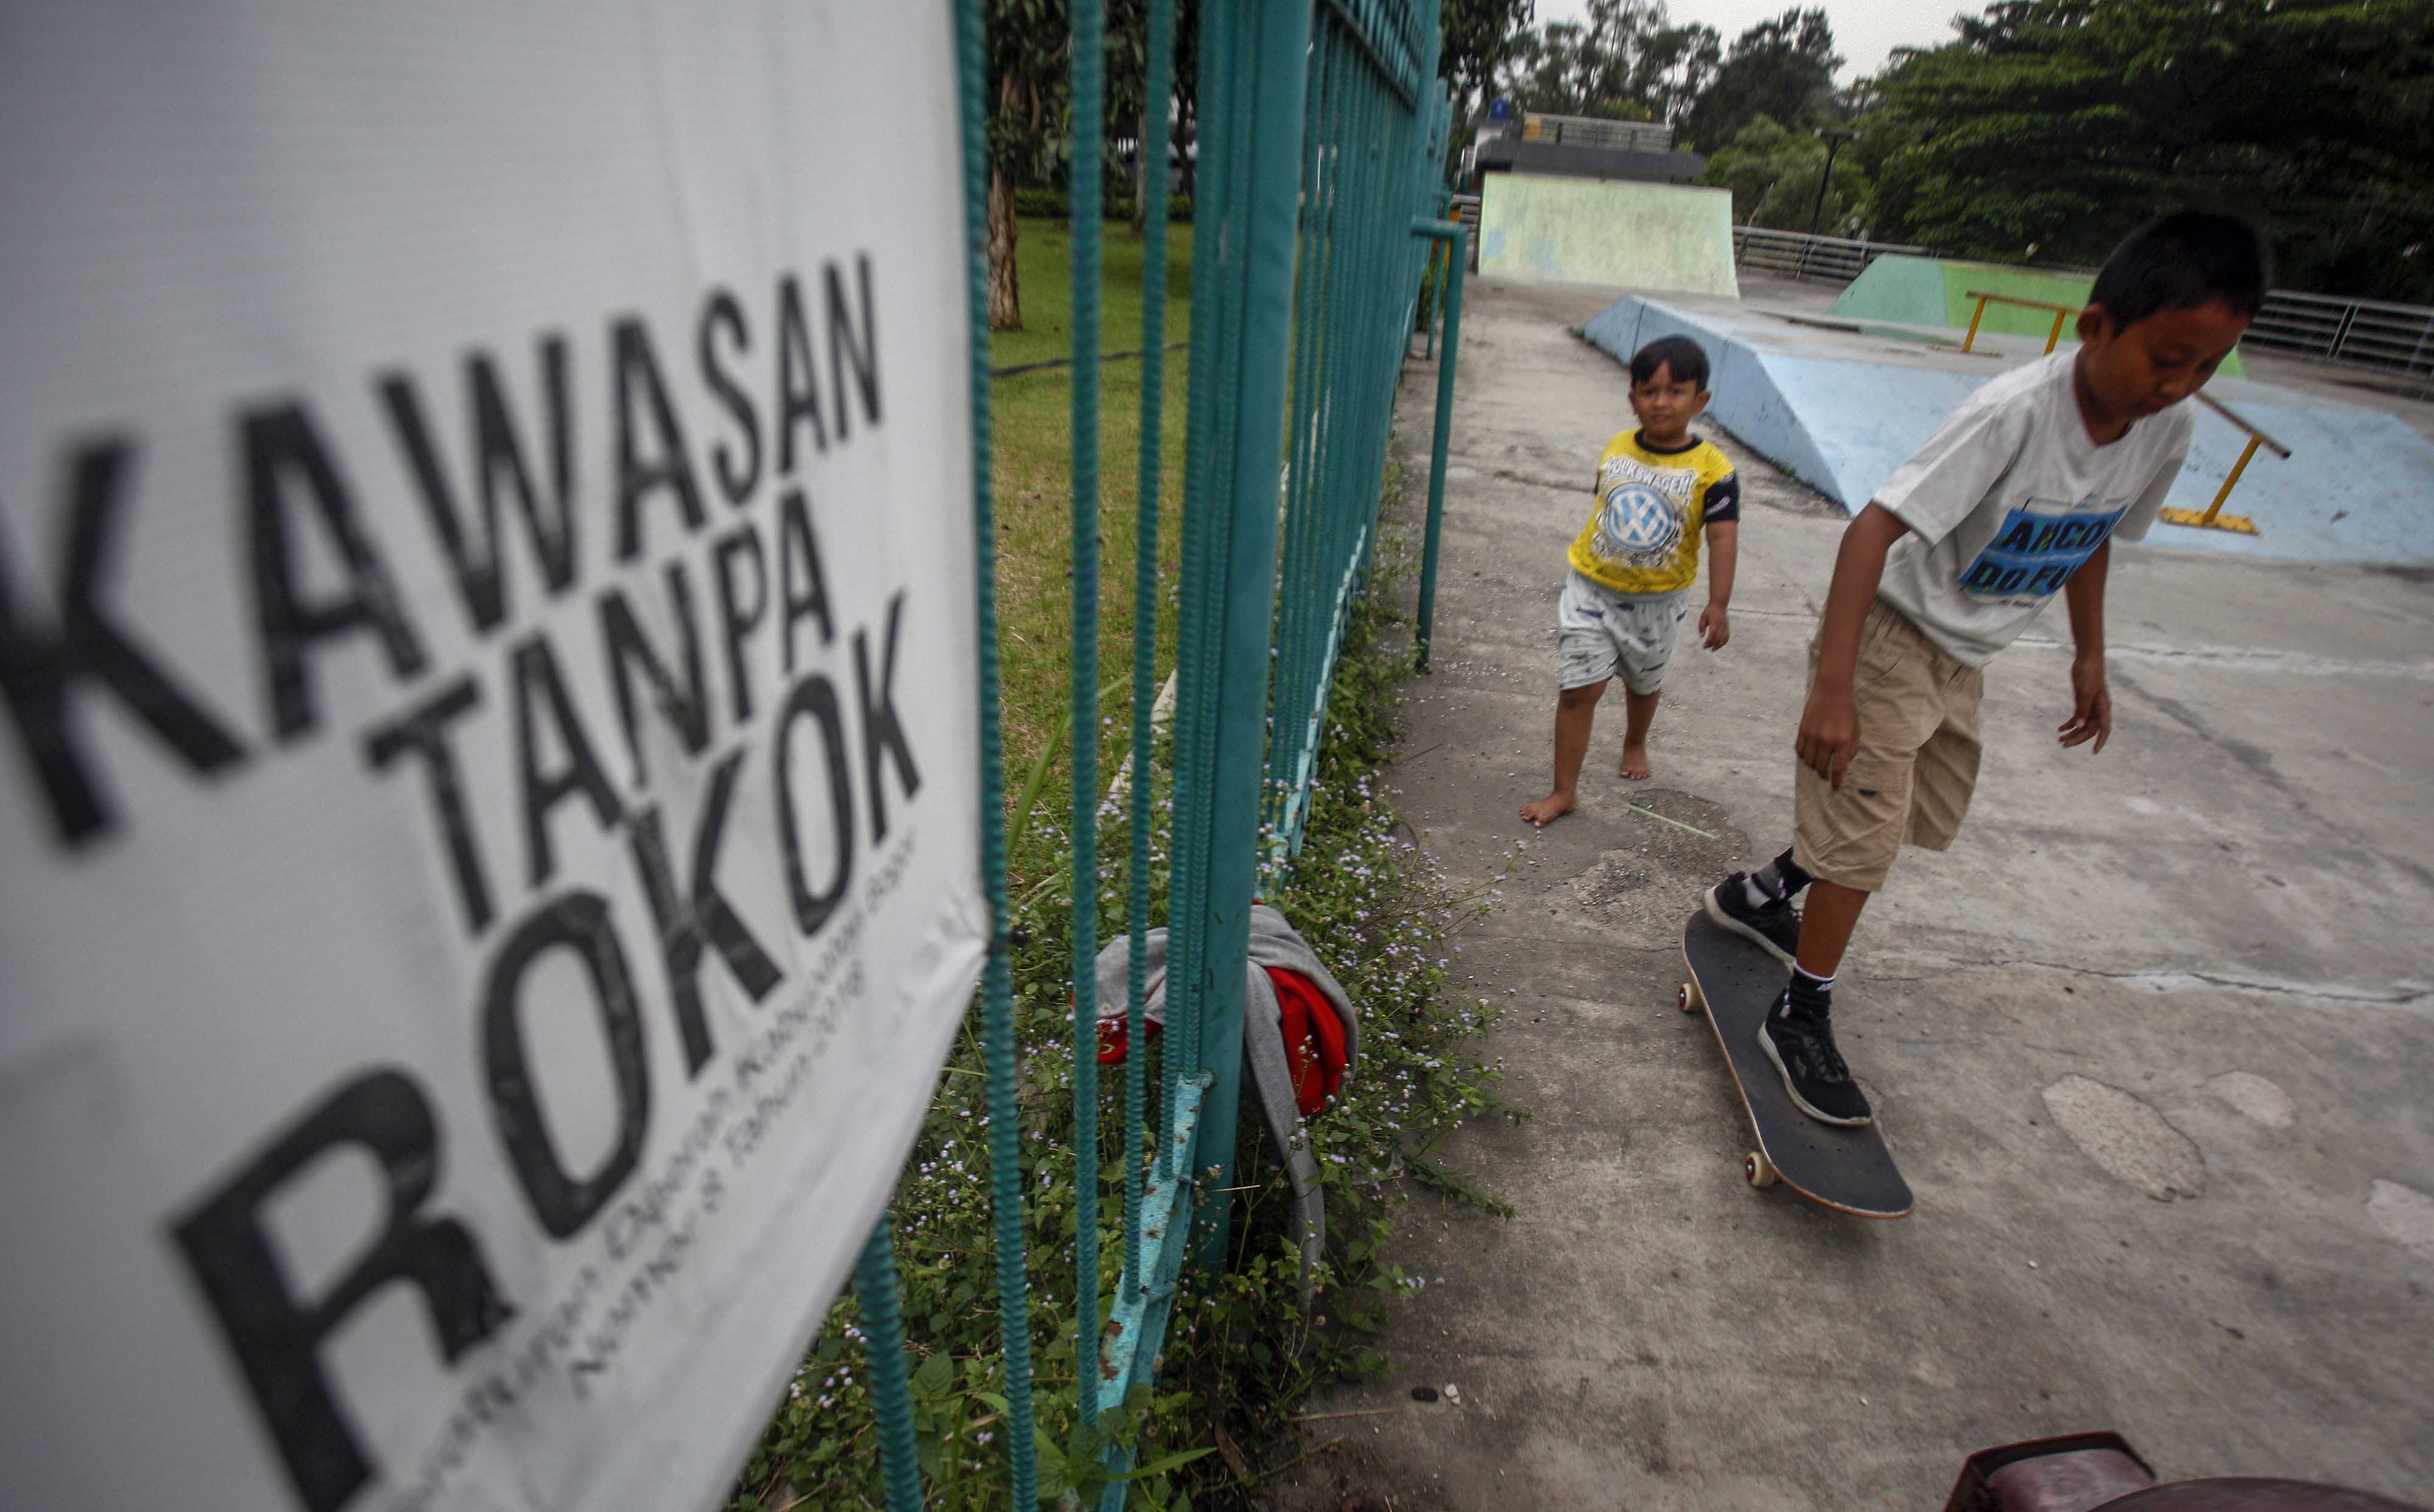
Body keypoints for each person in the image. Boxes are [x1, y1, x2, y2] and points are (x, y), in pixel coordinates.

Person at [1703, 209, 2271, 1126]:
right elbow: (1872, 528)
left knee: (1912, 819)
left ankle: (1762, 894)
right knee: (1867, 833)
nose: (2180, 385)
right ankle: (1799, 1010)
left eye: (2206, 368)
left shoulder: (2163, 433)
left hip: (1966, 657)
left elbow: (2091, 538)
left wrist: (2091, 653)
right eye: (2167, 357)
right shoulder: (2014, 415)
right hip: (1889, 638)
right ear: (2097, 327)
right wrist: (1834, 686)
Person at [1521, 334, 1738, 827]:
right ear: (1632, 398)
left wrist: (1719, 602)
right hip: (1592, 588)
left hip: (1658, 603)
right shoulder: (1617, 448)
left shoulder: (1715, 471)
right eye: (1648, 390)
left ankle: (1635, 739)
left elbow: (1723, 539)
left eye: (1676, 391)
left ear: (1700, 400)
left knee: (1644, 681)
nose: (1660, 402)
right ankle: (1564, 791)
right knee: (1580, 687)